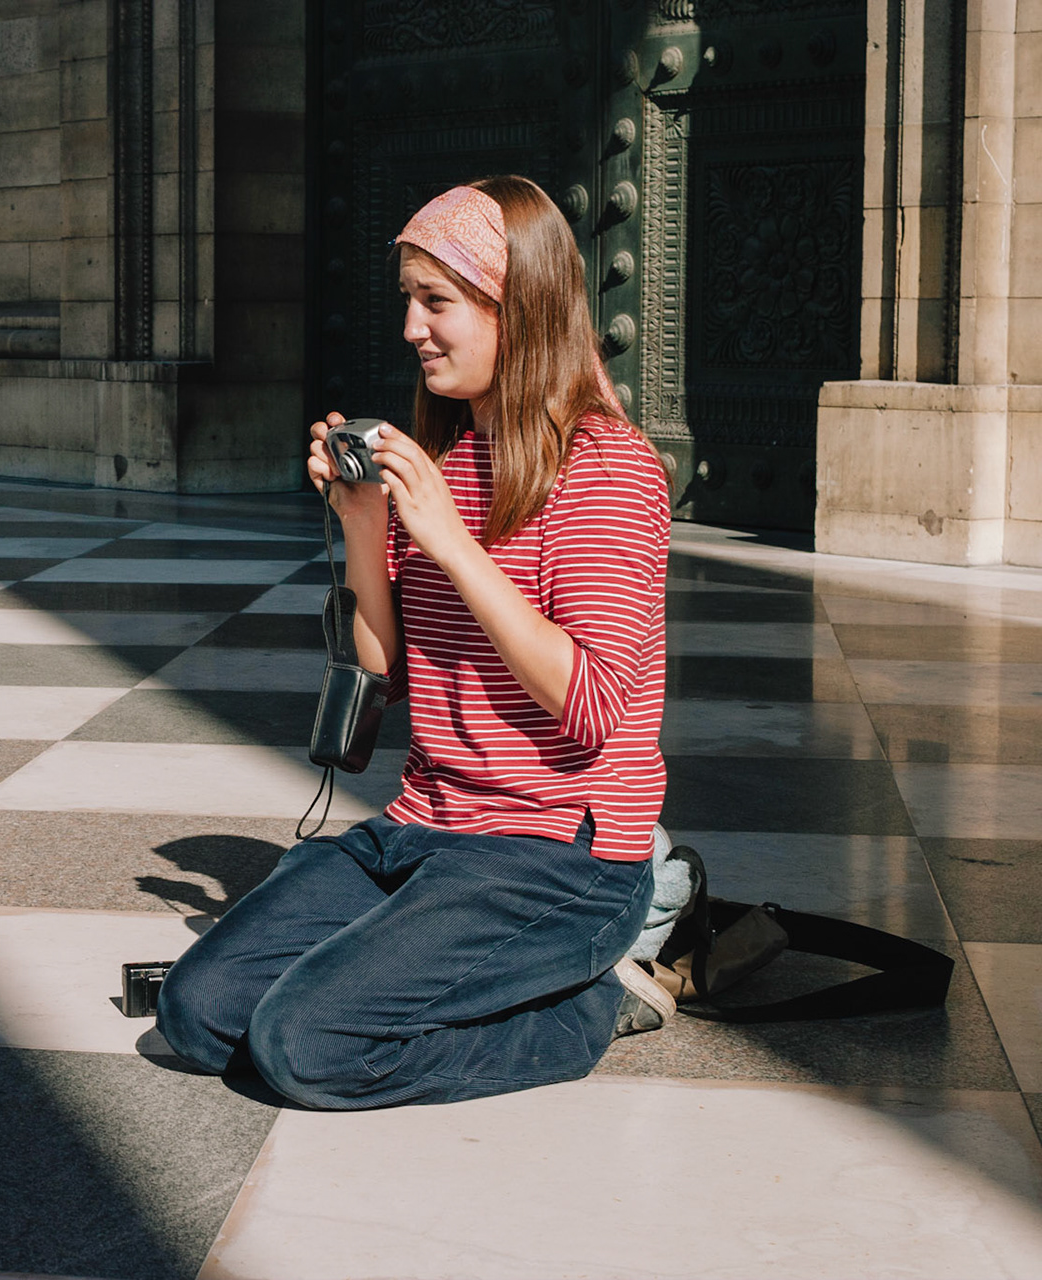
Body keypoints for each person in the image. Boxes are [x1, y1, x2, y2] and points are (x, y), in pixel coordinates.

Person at [155, 176, 676, 1109]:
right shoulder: (445, 462)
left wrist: (449, 542)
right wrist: (363, 522)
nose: (410, 327)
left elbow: (594, 706)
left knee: (303, 1047)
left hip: (559, 858)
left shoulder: (607, 469)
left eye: (437, 301)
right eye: (408, 299)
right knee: (198, 1018)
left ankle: (590, 1002)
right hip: (423, 827)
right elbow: (377, 675)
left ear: (518, 309)